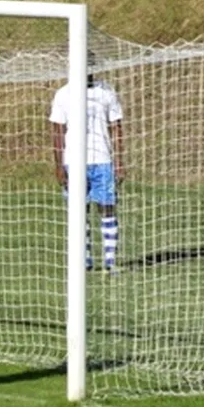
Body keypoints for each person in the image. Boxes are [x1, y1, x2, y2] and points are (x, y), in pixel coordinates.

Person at [49, 52, 125, 273]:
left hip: (102, 159)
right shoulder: (63, 94)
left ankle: (110, 262)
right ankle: (85, 261)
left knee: (108, 207)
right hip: (73, 161)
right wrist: (58, 166)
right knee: (78, 212)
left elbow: (116, 127)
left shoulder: (106, 92)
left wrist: (120, 162)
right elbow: (57, 131)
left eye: (88, 65)